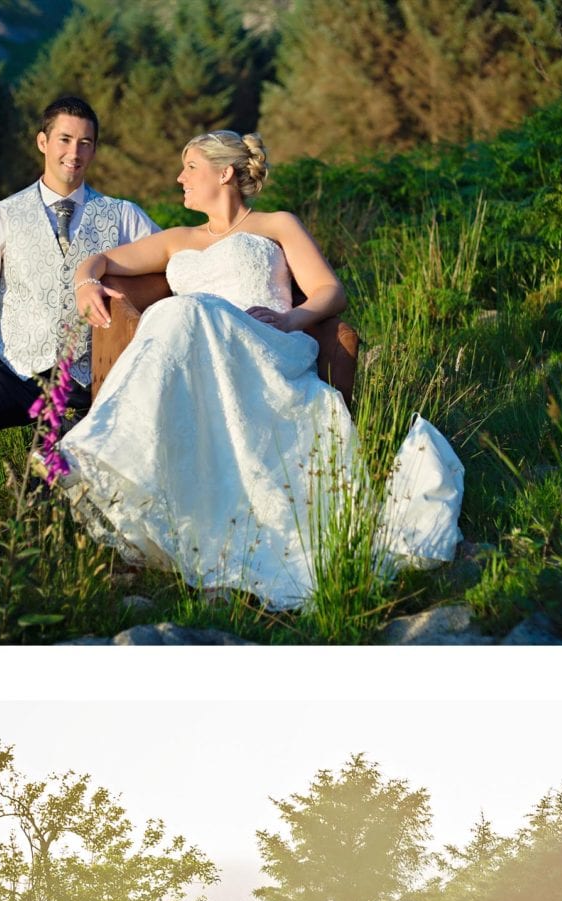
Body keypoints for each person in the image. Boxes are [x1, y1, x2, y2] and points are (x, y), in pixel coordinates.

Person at [59, 129, 462, 610]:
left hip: (266, 343)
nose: (179, 178)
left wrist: (293, 317)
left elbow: (330, 292)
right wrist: (86, 283)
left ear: (224, 173)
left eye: (190, 167)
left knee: (182, 311)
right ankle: (123, 467)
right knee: (181, 312)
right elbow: (99, 260)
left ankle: (101, 444)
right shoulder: (178, 240)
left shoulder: (276, 225)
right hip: (200, 351)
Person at [0, 96, 160, 516]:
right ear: (42, 142)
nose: (75, 153)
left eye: (86, 143)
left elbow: (174, 267)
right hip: (10, 369)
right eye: (65, 140)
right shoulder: (2, 215)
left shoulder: (123, 216)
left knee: (41, 509)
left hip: (84, 383)